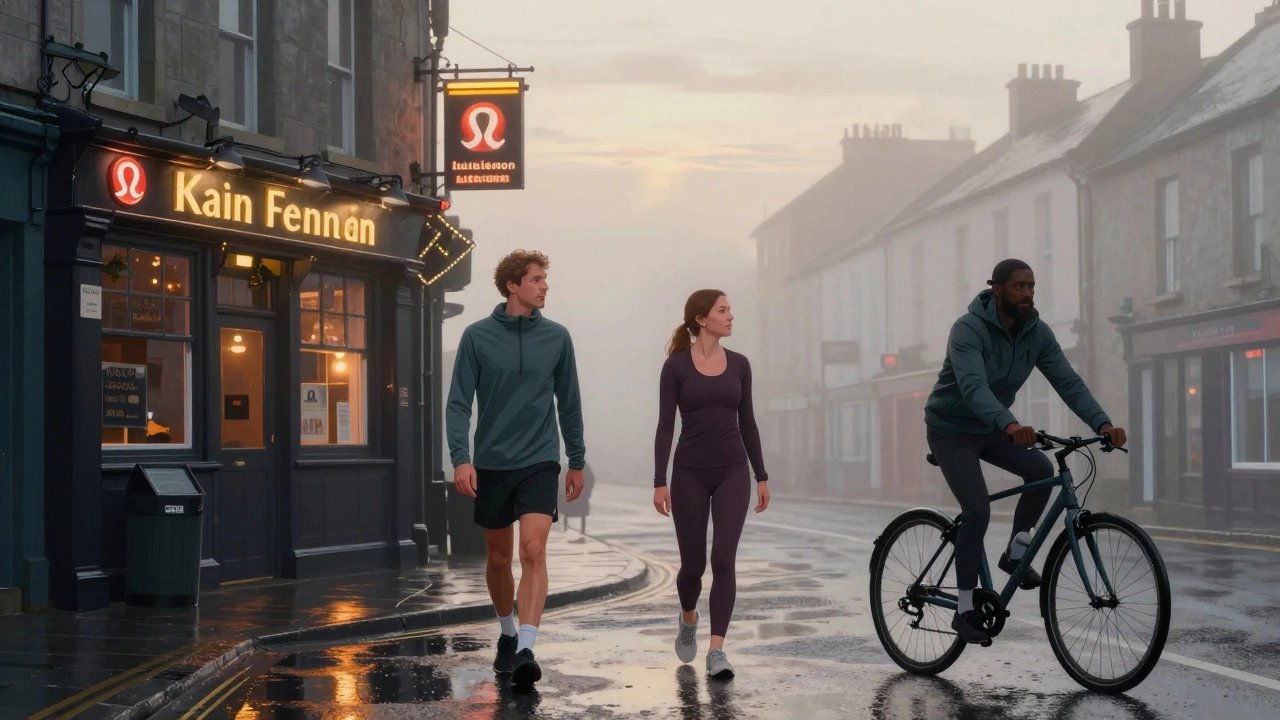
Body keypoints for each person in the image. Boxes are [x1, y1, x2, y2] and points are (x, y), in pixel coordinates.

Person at [925, 259, 1127, 645]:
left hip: (994, 426)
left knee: (1040, 470)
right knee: (978, 510)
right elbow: (973, 386)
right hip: (951, 429)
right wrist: (1011, 425)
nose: (1027, 293)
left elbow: (1067, 381)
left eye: (1032, 286)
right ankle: (964, 609)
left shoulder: (1037, 332)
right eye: (1019, 286)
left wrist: (1102, 424)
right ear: (997, 288)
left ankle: (1017, 551)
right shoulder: (968, 329)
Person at [446, 249, 586, 689]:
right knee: (499, 557)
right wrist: (461, 458)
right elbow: (458, 403)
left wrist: (576, 459)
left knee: (532, 551)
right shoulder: (477, 336)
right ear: (513, 285)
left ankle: (527, 646)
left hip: (541, 460)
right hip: (491, 463)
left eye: (546, 279)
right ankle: (507, 631)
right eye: (537, 279)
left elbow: (570, 401)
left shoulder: (558, 338)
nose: (545, 286)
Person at [652, 289, 771, 680]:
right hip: (688, 473)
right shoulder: (676, 367)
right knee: (692, 566)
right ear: (702, 319)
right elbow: (666, 425)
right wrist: (659, 481)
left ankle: (717, 650)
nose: (731, 316)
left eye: (730, 310)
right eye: (723, 310)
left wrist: (761, 475)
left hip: (732, 470)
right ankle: (688, 617)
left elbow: (748, 423)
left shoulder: (740, 365)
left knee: (723, 559)